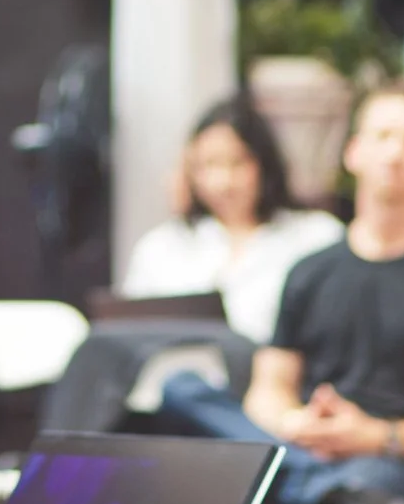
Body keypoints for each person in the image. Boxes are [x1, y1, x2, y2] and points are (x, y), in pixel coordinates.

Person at [156, 86, 404, 504]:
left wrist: (376, 436)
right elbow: (269, 388)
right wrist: (296, 423)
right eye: (383, 136)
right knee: (182, 389)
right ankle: (313, 480)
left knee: (339, 498)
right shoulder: (310, 271)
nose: (395, 153)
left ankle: (313, 485)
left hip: (393, 465)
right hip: (305, 448)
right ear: (353, 152)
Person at [123, 94, 345, 344]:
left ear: (264, 164)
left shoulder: (315, 237)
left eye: (237, 163)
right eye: (208, 165)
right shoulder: (161, 247)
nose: (223, 182)